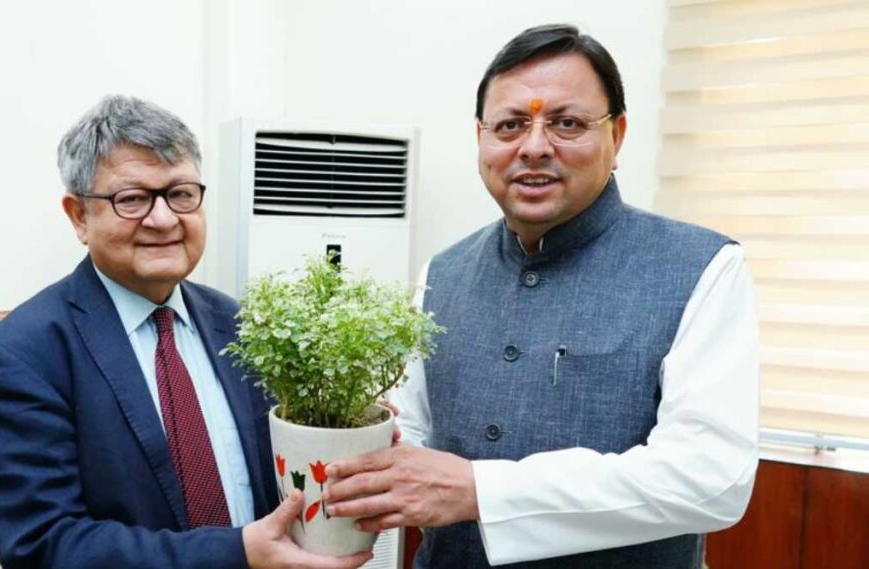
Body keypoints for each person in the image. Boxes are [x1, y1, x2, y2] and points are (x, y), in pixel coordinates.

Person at [322, 24, 759, 568]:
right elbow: (414, 431)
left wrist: (482, 491)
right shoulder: (444, 271)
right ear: (481, 138)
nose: (533, 147)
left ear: (618, 136)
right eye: (510, 125)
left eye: (566, 123)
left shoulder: (702, 267)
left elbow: (709, 479)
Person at [0, 95, 372, 569]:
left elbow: (281, 472)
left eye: (180, 194)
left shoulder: (240, 325)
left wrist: (348, 438)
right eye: (131, 199)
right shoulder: (23, 354)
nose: (163, 219)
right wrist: (236, 553)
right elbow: (41, 545)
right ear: (79, 216)